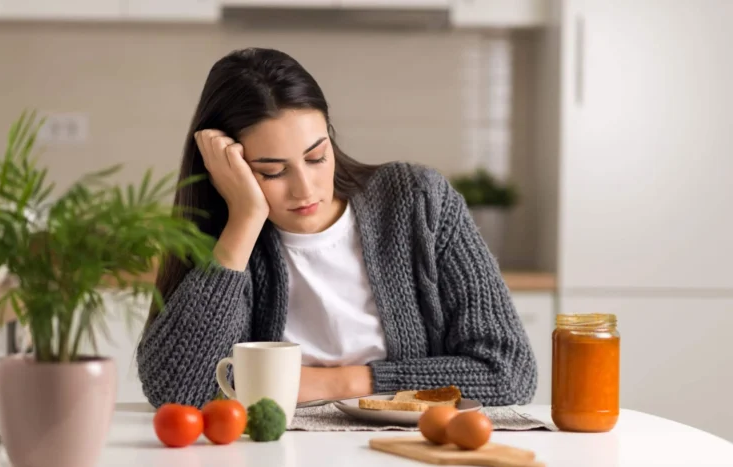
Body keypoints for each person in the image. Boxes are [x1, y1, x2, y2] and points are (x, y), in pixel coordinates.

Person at [136, 47, 538, 410]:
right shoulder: (224, 237)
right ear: (229, 170)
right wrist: (244, 219)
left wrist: (335, 382)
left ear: (330, 136)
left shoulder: (417, 202)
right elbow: (178, 393)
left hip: (410, 465)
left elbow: (508, 373)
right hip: (268, 462)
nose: (305, 189)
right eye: (272, 171)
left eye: (316, 157)